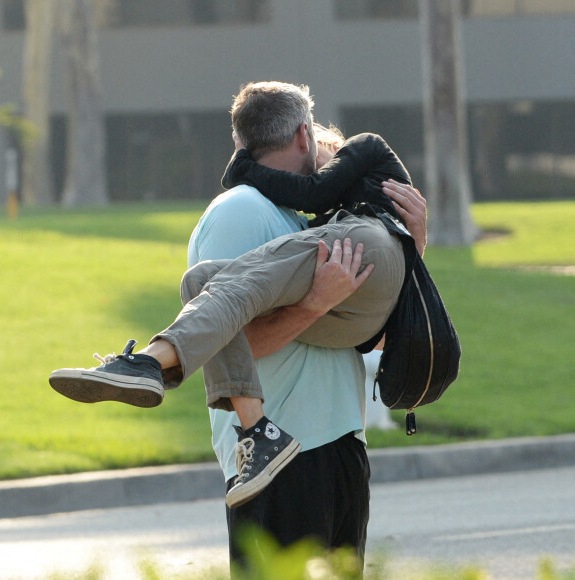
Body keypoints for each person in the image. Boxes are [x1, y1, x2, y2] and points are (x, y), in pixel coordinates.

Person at [50, 81, 427, 574]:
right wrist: (314, 305)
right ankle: (149, 364)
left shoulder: (312, 218)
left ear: (238, 143)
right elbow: (231, 338)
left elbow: (371, 337)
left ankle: (147, 364)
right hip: (278, 462)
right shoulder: (243, 210)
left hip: (337, 447)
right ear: (302, 136)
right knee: (209, 287)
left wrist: (412, 248)